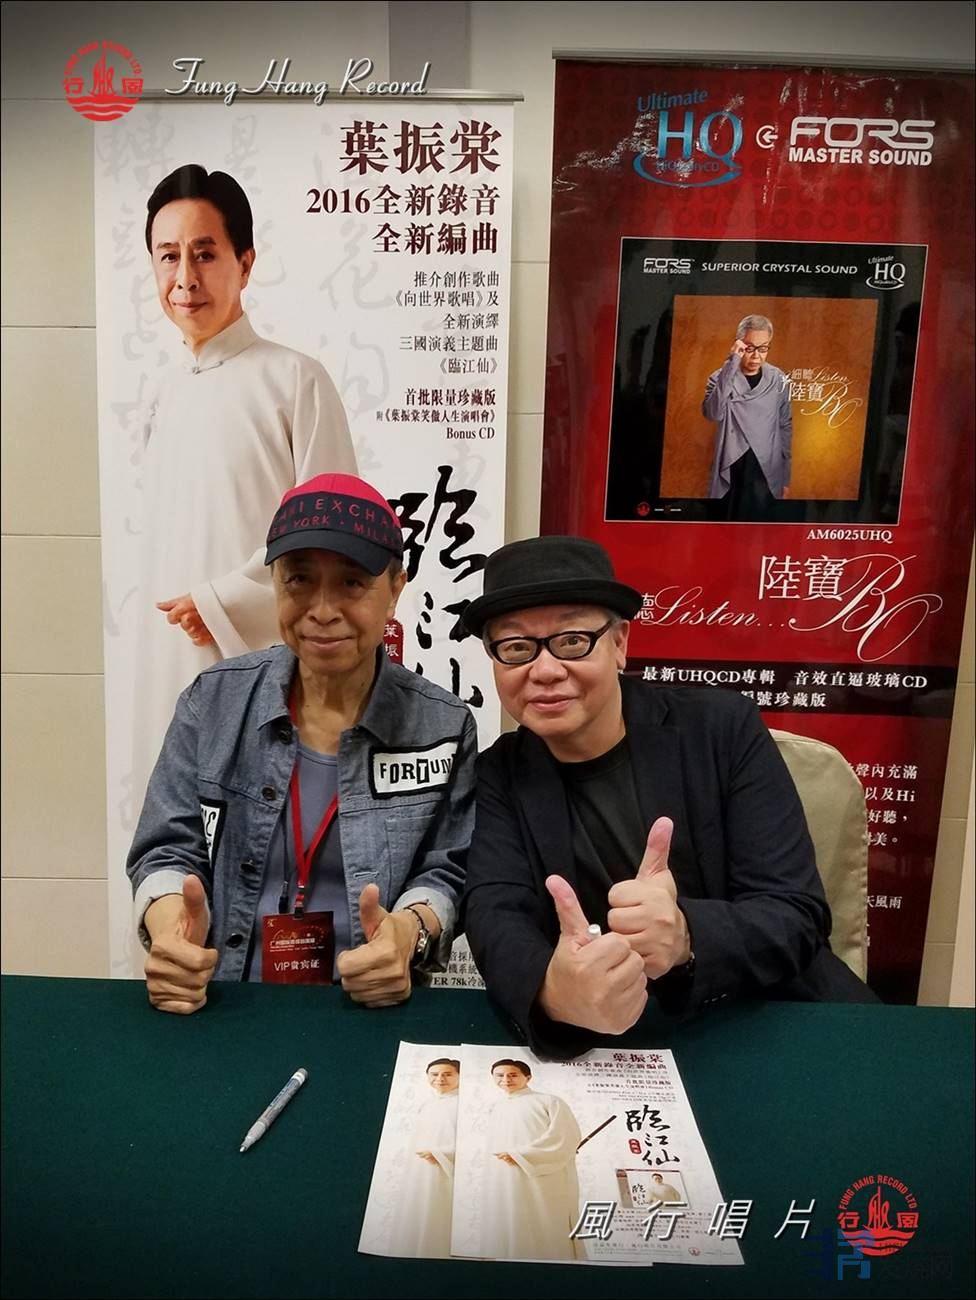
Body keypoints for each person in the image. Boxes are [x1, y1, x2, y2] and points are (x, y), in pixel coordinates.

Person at [461, 536, 877, 1060]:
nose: (544, 670)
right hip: (611, 1042)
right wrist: (553, 993)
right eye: (517, 648)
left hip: (769, 1019)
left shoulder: (722, 730)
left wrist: (686, 935)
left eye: (572, 640)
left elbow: (796, 913)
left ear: (619, 643)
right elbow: (494, 911)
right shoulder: (500, 770)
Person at [126, 473, 476, 1014]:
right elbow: (168, 846)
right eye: (299, 580)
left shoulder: (442, 726)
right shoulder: (213, 702)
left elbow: (447, 868)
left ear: (395, 590)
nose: (323, 610)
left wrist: (410, 931)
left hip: (369, 1008)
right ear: (275, 584)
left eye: (352, 583)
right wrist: (171, 925)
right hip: (226, 1002)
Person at [133, 162, 358, 810]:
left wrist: (221, 600)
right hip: (167, 654)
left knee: (264, 832)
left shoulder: (294, 380)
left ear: (246, 262)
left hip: (258, 654)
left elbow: (334, 531)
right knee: (174, 829)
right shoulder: (162, 393)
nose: (185, 278)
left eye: (205, 254)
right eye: (168, 256)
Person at [480, 1059, 583, 1261]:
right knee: (509, 1215)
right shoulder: (496, 1107)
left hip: (543, 1173)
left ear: (527, 1077)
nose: (506, 1079)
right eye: (499, 1075)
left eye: (512, 1075)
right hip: (504, 1174)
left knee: (544, 1216)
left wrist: (523, 1155)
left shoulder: (549, 1101)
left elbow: (564, 1136)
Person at [703, 313, 792, 516]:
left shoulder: (778, 379)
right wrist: (732, 362)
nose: (756, 356)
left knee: (761, 527)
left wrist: (785, 477)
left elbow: (785, 425)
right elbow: (713, 414)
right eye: (749, 348)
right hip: (732, 465)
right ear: (739, 344)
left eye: (763, 348)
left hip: (766, 468)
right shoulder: (719, 377)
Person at [387, 1059, 461, 1257]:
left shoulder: (464, 1105)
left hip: (446, 1168)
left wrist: (441, 1153)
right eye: (434, 1074)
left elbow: (474, 1142)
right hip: (418, 1169)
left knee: (438, 1213)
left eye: (447, 1074)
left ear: (460, 1076)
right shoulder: (427, 1104)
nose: (440, 1078)